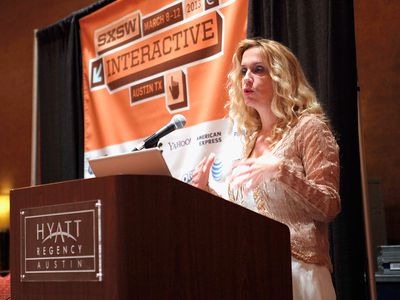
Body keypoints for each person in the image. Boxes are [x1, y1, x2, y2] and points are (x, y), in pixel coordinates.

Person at [191, 38, 340, 300]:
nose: (247, 78)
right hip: (255, 274)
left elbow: (329, 205)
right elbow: (246, 213)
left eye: (258, 69)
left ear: (282, 77)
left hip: (301, 276)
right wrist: (207, 193)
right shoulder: (250, 140)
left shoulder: (308, 127)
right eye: (243, 71)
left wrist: (282, 172)